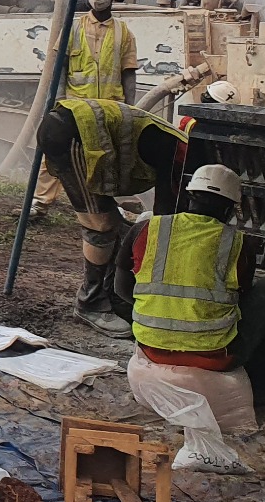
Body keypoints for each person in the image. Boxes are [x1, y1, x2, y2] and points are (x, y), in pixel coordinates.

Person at [128, 163, 265, 407]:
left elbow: (121, 288)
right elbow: (241, 300)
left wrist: (157, 319)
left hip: (150, 346)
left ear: (189, 195)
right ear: (231, 207)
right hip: (215, 355)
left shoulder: (147, 229)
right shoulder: (237, 243)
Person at [38, 96, 186, 335]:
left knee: (118, 226)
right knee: (100, 225)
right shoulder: (181, 155)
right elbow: (164, 215)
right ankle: (91, 302)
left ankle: (111, 296)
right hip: (72, 134)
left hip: (80, 130)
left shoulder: (177, 146)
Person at [32, 0, 138, 217]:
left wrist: (130, 110)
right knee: (55, 154)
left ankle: (103, 207)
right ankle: (40, 202)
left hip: (108, 109)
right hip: (74, 107)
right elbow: (60, 67)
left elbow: (128, 74)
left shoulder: (124, 33)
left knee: (105, 159)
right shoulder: (74, 26)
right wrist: (57, 103)